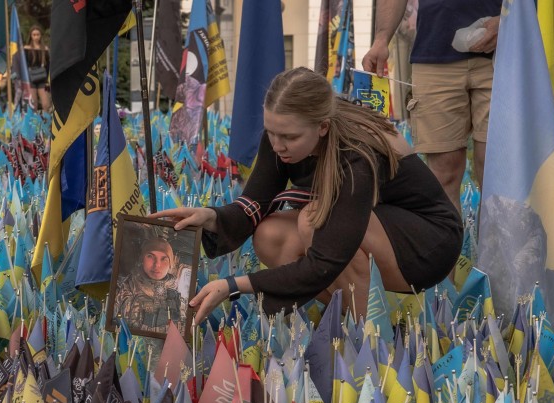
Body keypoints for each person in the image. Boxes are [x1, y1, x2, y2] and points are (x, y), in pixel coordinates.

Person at [152, 67, 462, 323]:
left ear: (323, 128)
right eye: (270, 132)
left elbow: (324, 261)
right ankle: (339, 314)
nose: (277, 145)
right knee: (270, 234)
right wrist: (212, 217)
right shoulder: (282, 136)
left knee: (314, 220)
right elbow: (256, 203)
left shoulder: (356, 154)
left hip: (427, 241)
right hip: (376, 227)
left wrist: (233, 286)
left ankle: (368, 338)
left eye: (288, 137)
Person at [362, 0, 500, 207]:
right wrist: (381, 39)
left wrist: (509, 20)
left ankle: (496, 241)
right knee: (443, 176)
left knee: (497, 174)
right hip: (433, 54)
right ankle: (450, 239)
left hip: (502, 50)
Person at [114, 234, 187, 334]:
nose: (157, 264)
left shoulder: (179, 292)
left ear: (170, 263)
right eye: (150, 256)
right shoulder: (125, 287)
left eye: (164, 258)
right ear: (142, 259)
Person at [24, 26, 50, 111]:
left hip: (42, 79)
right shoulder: (26, 49)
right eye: (34, 35)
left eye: (37, 34)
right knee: (33, 104)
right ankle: (35, 122)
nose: (36, 37)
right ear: (31, 36)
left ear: (40, 35)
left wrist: (47, 80)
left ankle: (46, 122)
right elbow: (24, 65)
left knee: (46, 104)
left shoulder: (45, 49)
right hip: (31, 79)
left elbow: (48, 66)